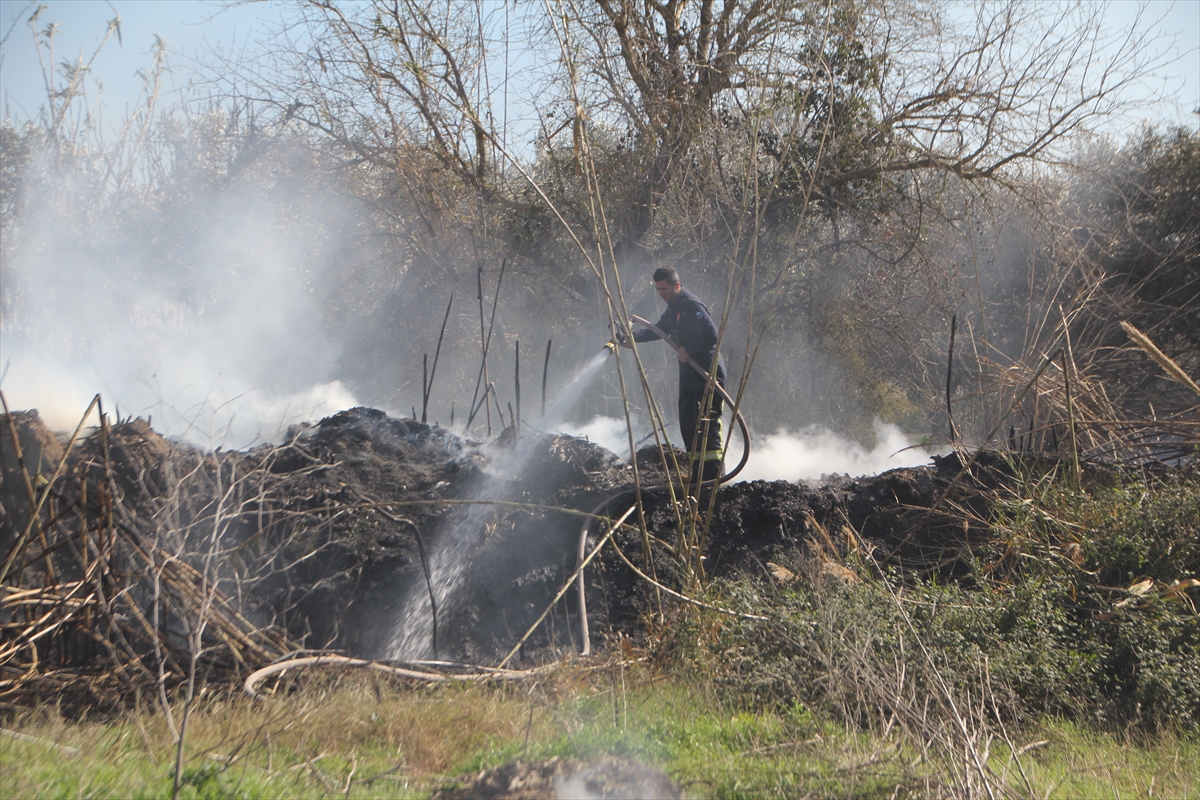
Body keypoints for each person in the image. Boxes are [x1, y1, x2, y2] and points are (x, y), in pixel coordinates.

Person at [621, 266, 726, 480]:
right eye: (658, 289)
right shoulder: (674, 308)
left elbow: (712, 335)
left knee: (707, 420)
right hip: (688, 369)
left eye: (665, 289)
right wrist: (631, 338)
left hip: (706, 368)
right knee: (688, 420)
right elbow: (659, 329)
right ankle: (698, 474)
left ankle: (713, 477)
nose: (661, 294)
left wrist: (689, 350)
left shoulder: (691, 305)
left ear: (677, 285)